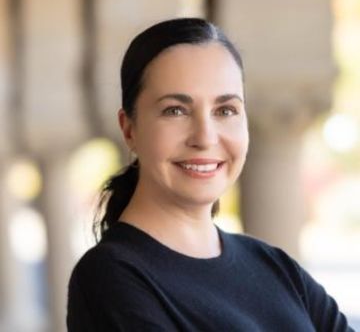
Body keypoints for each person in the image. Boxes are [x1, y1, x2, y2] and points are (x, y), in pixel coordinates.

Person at [66, 18, 354, 331]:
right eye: (175, 110)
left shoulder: (274, 266)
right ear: (129, 128)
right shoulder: (111, 277)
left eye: (225, 110)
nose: (205, 137)